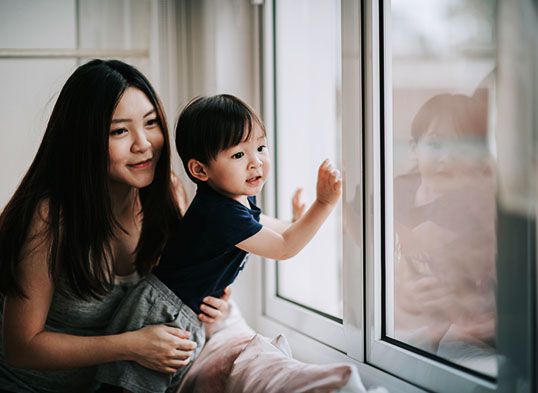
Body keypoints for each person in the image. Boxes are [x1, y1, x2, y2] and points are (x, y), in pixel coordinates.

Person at [0, 59, 231, 393]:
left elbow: (171, 289)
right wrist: (131, 345)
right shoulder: (49, 216)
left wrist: (209, 303)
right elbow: (21, 347)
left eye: (151, 123)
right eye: (119, 130)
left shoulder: (167, 192)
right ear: (84, 140)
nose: (144, 144)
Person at [97, 94, 342, 392]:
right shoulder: (219, 212)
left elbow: (273, 230)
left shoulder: (232, 200)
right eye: (239, 155)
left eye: (261, 147)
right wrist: (324, 203)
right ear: (200, 170)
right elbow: (284, 248)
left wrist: (296, 220)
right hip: (161, 314)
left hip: (179, 311)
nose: (256, 162)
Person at [393, 92, 497, 371]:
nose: (448, 156)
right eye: (437, 144)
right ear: (414, 148)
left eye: (461, 147)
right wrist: (402, 291)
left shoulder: (479, 209)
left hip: (472, 337)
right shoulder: (394, 193)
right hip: (411, 327)